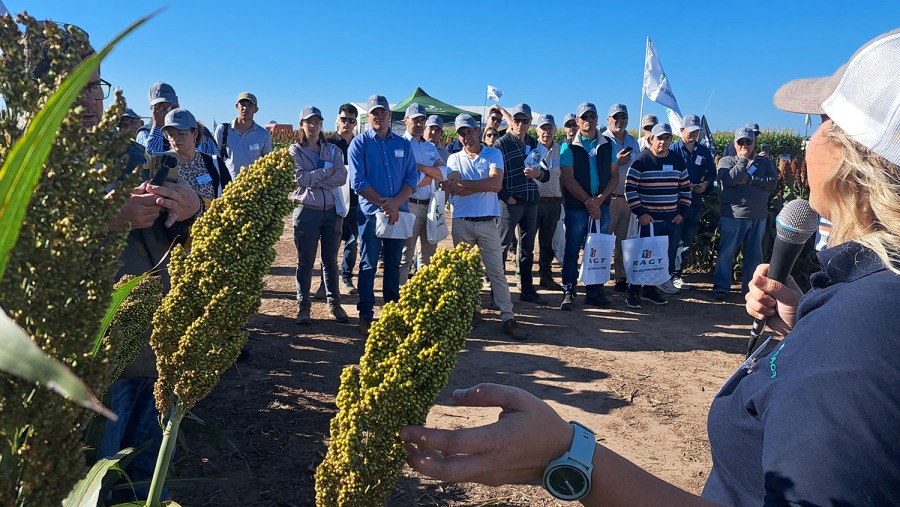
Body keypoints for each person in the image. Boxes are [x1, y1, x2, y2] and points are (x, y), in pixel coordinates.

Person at [403, 30, 900, 506]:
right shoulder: (863, 313)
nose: (811, 138)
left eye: (822, 122)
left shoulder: (857, 339)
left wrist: (564, 455)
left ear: (850, 157)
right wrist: (802, 335)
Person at [445, 114, 525, 340]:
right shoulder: (454, 159)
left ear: (478, 131)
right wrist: (482, 186)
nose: (466, 136)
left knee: (496, 272)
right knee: (465, 273)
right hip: (462, 222)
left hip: (488, 222)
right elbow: (453, 188)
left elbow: (496, 184)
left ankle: (507, 316)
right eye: (462, 133)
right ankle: (472, 311)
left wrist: (465, 185)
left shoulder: (493, 153)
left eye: (469, 131)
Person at [348, 94, 418, 336]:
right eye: (374, 113)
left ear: (390, 115)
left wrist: (396, 203)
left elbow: (412, 178)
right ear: (369, 117)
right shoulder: (359, 144)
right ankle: (365, 314)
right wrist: (383, 204)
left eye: (383, 112)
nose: (379, 116)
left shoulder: (402, 144)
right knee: (368, 264)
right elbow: (358, 181)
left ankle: (391, 313)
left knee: (393, 264)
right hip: (370, 216)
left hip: (397, 214)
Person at [559, 102, 628, 310]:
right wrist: (590, 202)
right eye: (584, 117)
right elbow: (568, 179)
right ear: (578, 121)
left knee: (598, 250)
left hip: (602, 206)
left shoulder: (609, 144)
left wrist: (599, 199)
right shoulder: (568, 146)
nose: (588, 121)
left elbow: (614, 175)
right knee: (572, 251)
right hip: (577, 208)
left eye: (592, 116)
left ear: (597, 119)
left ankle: (594, 291)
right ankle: (569, 290)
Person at [288, 106, 349, 325]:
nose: (313, 126)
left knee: (330, 261)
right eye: (309, 122)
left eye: (317, 122)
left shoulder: (333, 150)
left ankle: (334, 303)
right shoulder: (294, 151)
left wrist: (316, 177)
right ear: (301, 124)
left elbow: (341, 177)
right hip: (307, 211)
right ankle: (303, 306)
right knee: (305, 261)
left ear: (322, 125)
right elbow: (300, 179)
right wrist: (326, 173)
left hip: (332, 212)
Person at [623, 123, 692, 309]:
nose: (662, 142)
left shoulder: (677, 160)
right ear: (651, 139)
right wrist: (641, 213)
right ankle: (633, 290)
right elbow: (630, 188)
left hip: (671, 220)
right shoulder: (641, 160)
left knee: (661, 257)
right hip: (648, 221)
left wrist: (682, 213)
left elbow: (685, 188)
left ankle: (650, 289)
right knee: (642, 256)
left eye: (666, 138)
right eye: (659, 138)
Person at [712, 127, 776, 300]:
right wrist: (742, 161)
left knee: (754, 256)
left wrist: (750, 179)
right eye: (741, 142)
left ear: (754, 143)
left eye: (748, 142)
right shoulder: (726, 160)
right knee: (726, 253)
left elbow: (772, 182)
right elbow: (729, 179)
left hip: (758, 216)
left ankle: (750, 290)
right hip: (733, 216)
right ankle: (721, 287)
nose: (745, 145)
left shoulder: (764, 163)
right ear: (735, 144)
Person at [494, 103, 549, 304]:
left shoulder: (536, 145)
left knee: (527, 248)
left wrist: (539, 174)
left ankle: (526, 289)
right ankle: (497, 292)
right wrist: (507, 196)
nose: (520, 124)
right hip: (510, 203)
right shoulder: (501, 144)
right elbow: (494, 175)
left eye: (524, 121)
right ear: (512, 121)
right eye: (517, 120)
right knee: (502, 246)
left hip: (531, 202)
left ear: (530, 123)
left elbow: (546, 174)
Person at [315, 103, 361, 296]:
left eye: (351, 121)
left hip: (356, 201)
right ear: (337, 119)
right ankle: (325, 283)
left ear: (355, 123)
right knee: (329, 244)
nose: (347, 124)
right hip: (332, 200)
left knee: (351, 242)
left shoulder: (359, 144)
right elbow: (320, 171)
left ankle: (346, 277)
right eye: (344, 119)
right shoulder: (326, 143)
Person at [399, 103, 446, 282]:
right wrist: (430, 174)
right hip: (410, 205)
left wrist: (420, 169)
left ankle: (423, 293)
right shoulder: (401, 145)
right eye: (415, 120)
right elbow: (405, 176)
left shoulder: (430, 147)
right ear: (405, 121)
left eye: (422, 120)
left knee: (428, 254)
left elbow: (443, 174)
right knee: (405, 254)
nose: (419, 124)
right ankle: (400, 295)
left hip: (431, 205)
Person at [670, 114, 717, 290]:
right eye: (690, 131)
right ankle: (666, 274)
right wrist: (681, 184)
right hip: (675, 204)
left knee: (686, 240)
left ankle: (677, 275)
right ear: (681, 130)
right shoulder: (673, 150)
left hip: (695, 204)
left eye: (696, 131)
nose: (693, 134)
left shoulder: (704, 152)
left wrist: (705, 185)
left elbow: (712, 174)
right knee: (673, 239)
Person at [602, 104, 640, 293]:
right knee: (603, 240)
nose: (620, 121)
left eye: (623, 117)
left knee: (623, 242)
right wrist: (617, 161)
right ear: (608, 119)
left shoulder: (633, 141)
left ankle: (621, 277)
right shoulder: (603, 141)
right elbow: (599, 169)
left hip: (629, 199)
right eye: (616, 117)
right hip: (610, 198)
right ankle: (598, 276)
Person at [161, 108, 231, 206]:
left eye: (181, 134)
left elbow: (230, 196)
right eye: (171, 134)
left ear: (194, 134)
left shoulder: (214, 162)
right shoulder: (161, 164)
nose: (175, 139)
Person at [135, 81, 217, 156]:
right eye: (159, 107)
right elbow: (148, 163)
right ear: (152, 110)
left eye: (170, 107)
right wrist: (157, 127)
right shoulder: (144, 133)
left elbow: (216, 163)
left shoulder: (198, 130)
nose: (166, 112)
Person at [533, 114, 563, 291]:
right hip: (533, 203)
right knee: (527, 243)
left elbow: (564, 177)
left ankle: (545, 276)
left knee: (548, 243)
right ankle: (524, 279)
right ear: (537, 130)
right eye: (543, 128)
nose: (546, 132)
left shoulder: (562, 150)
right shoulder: (531, 149)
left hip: (553, 202)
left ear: (555, 130)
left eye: (550, 128)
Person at [214, 92, 272, 180]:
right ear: (237, 106)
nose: (245, 108)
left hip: (253, 186)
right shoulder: (222, 130)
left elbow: (267, 160)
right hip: (228, 186)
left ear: (256, 109)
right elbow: (215, 158)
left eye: (250, 105)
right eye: (243, 105)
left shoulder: (263, 134)